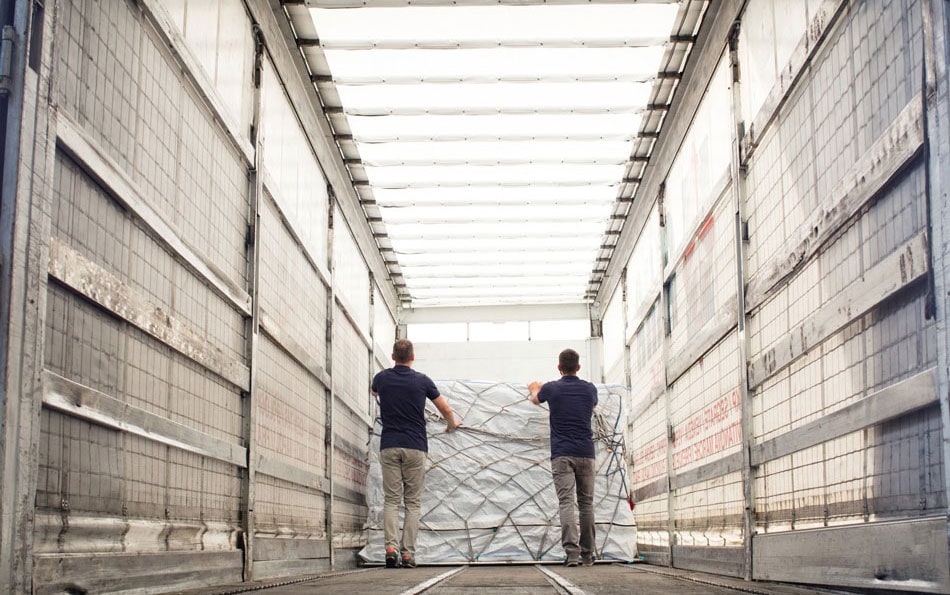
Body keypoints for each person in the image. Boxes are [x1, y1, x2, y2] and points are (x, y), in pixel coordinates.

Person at [372, 339, 460, 569]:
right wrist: (451, 424)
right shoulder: (422, 381)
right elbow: (446, 408)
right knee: (412, 502)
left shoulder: (381, 378)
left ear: (393, 356)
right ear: (412, 357)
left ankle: (390, 549)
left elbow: (374, 393)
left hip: (389, 445)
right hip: (415, 446)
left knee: (391, 500)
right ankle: (408, 554)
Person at [528, 348, 598, 567]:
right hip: (586, 453)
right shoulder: (589, 390)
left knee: (566, 502)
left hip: (562, 454)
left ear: (559, 368)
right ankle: (588, 554)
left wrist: (534, 388)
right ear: (578, 367)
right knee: (586, 503)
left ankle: (572, 554)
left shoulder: (551, 388)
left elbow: (535, 400)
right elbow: (593, 405)